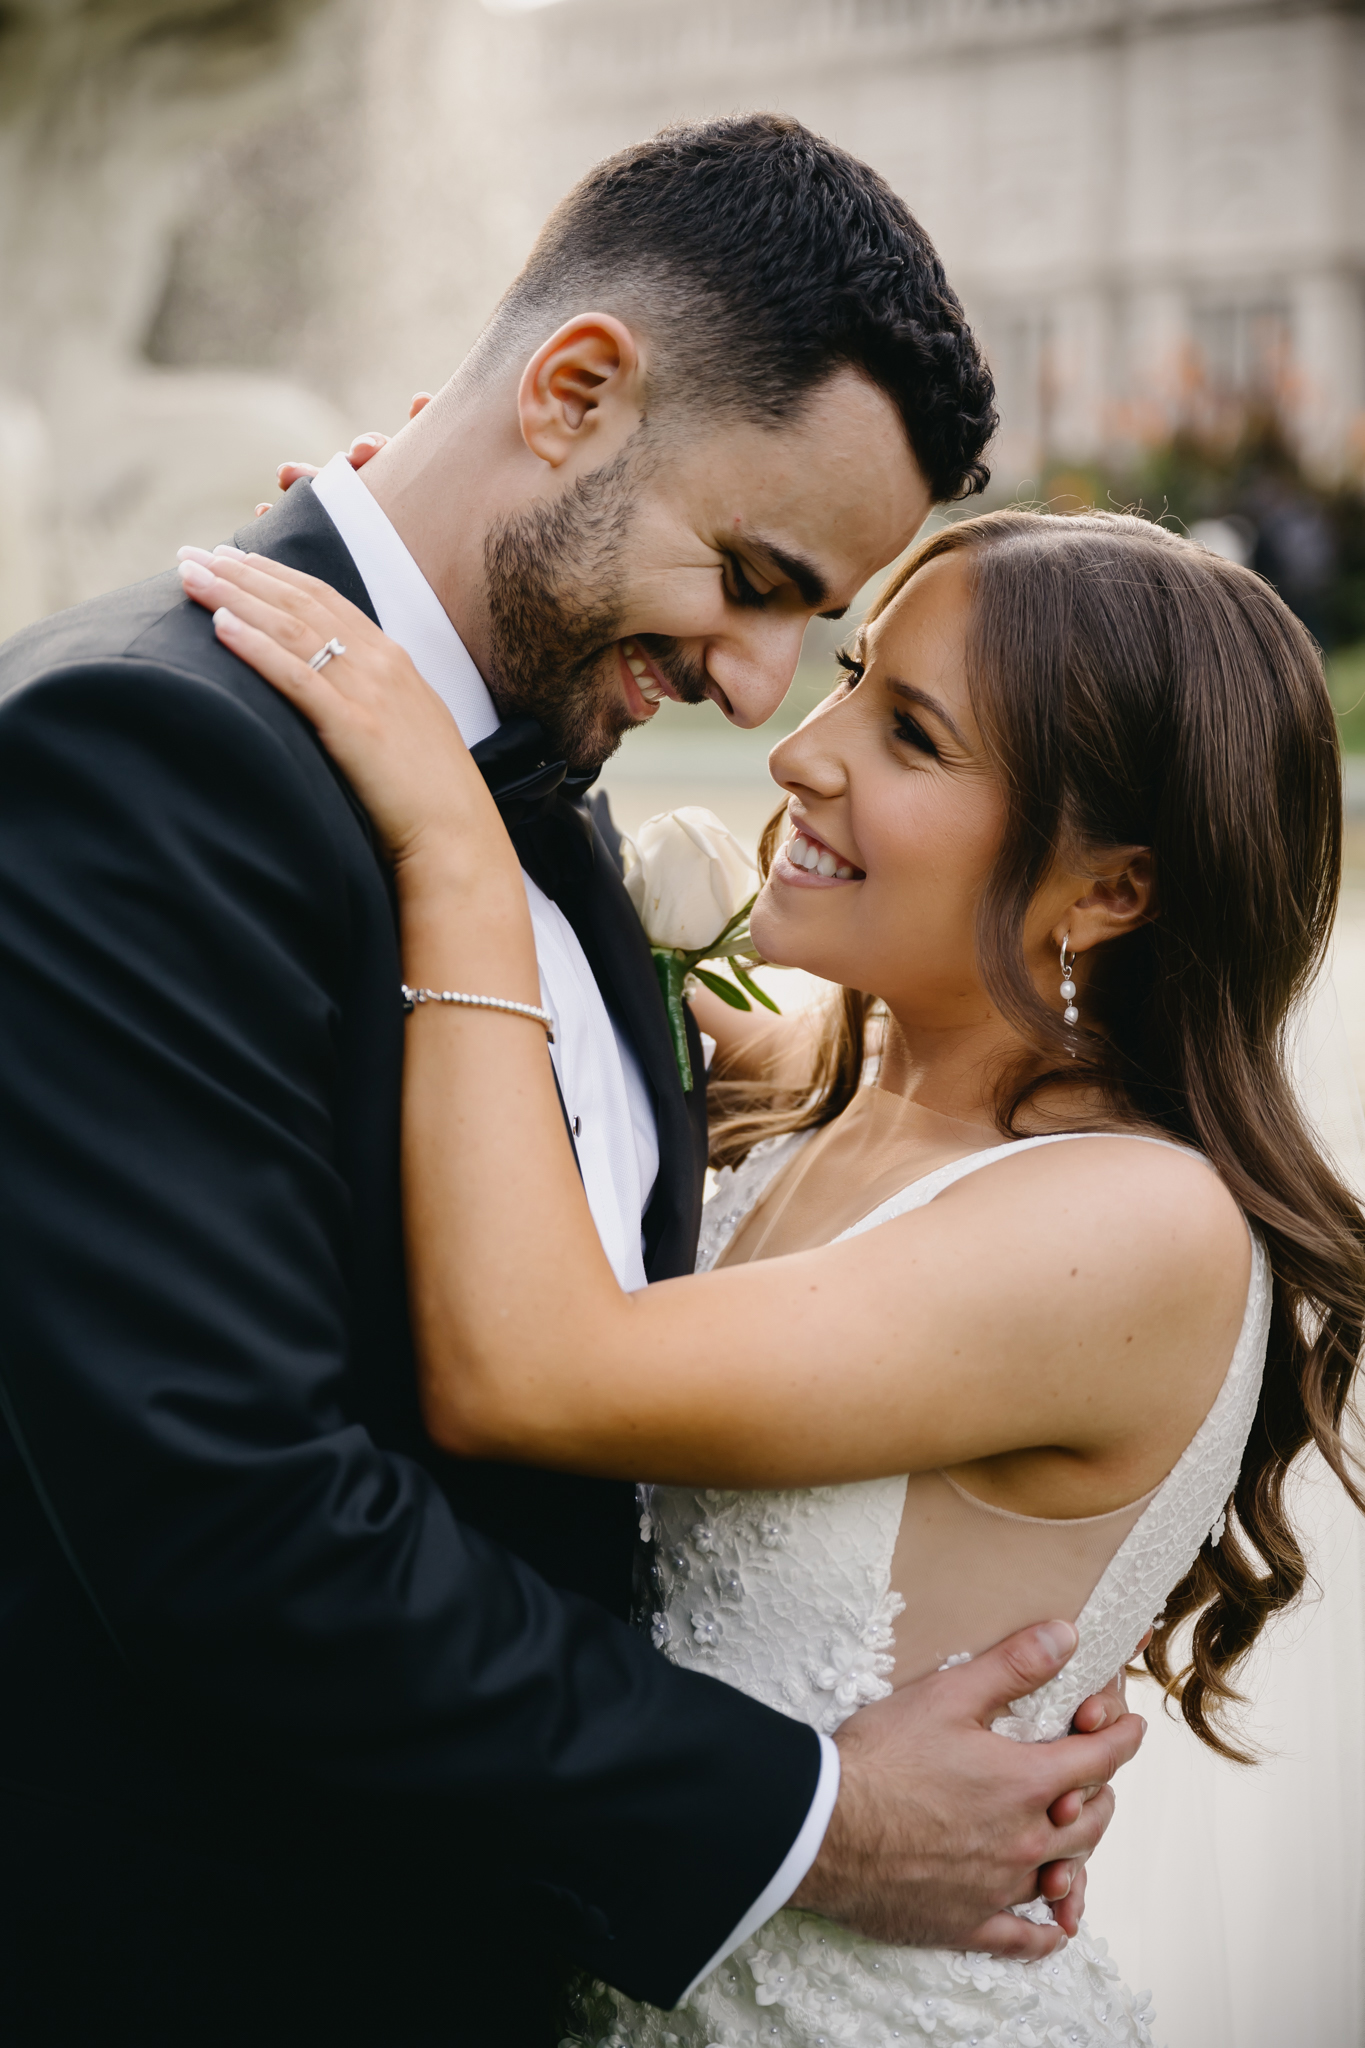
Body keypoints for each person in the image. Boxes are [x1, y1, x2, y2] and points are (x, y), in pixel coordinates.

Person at [0, 118, 1138, 2048]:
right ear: (575, 392)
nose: (765, 692)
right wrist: (810, 1820)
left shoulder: (515, 780)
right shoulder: (140, 756)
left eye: (824, 627)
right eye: (756, 575)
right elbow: (234, 1522)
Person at [182, 501, 1365, 2045]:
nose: (805, 750)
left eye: (912, 736)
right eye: (852, 675)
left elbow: (528, 1370)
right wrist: (436, 535)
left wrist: (451, 850)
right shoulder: (839, 1090)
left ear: (1111, 892)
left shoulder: (1132, 1225)